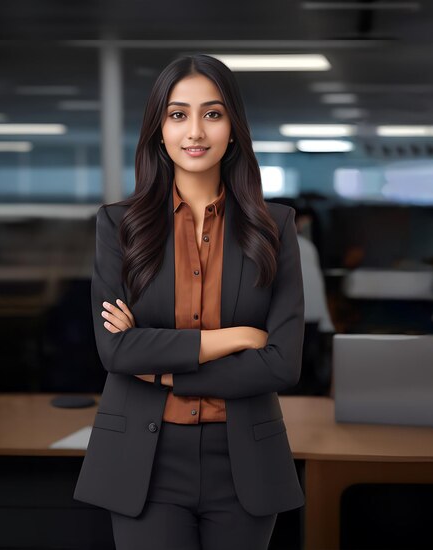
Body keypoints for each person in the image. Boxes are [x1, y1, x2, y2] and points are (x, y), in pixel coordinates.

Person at [73, 54, 305, 549]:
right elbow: (116, 352)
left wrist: (165, 369)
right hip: (143, 461)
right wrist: (236, 338)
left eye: (213, 114)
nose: (195, 131)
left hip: (244, 462)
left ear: (233, 129)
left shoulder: (276, 227)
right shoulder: (119, 226)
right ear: (159, 129)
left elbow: (284, 365)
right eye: (178, 114)